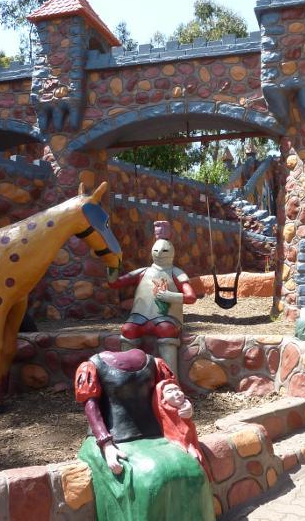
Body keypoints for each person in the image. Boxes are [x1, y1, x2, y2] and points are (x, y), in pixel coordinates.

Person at [75, 349, 214, 521]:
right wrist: (106, 444)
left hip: (156, 434)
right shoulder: (93, 366)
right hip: (116, 438)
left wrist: (184, 405)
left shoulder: (154, 364)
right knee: (149, 480)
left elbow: (169, 391)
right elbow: (91, 407)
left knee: (192, 470)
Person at [107, 221, 196, 375]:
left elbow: (191, 297)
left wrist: (170, 296)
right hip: (140, 317)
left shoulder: (176, 273)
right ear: (152, 251)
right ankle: (128, 375)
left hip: (166, 318)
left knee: (166, 329)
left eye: (164, 250)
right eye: (157, 250)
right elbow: (115, 283)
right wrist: (111, 266)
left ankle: (170, 378)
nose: (160, 253)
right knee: (128, 329)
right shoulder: (143, 272)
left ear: (172, 252)